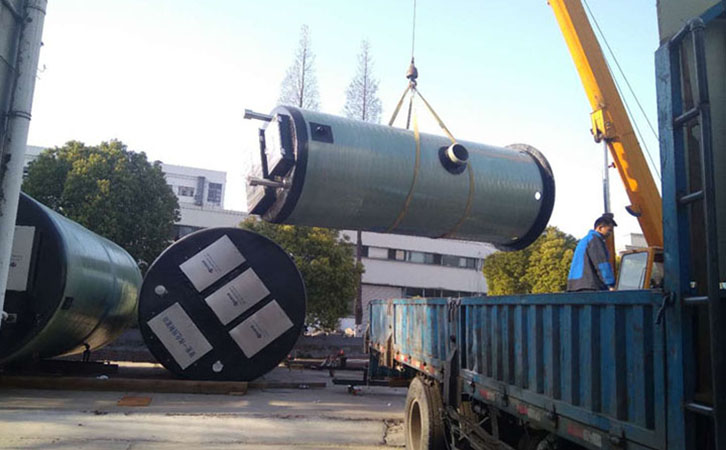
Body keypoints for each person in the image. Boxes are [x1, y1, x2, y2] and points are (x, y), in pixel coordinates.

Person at [567, 213, 617, 292]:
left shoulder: (586, 239)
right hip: (589, 285)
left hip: (575, 285)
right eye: (609, 230)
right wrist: (610, 284)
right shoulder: (595, 240)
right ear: (600, 228)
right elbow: (601, 264)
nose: (610, 234)